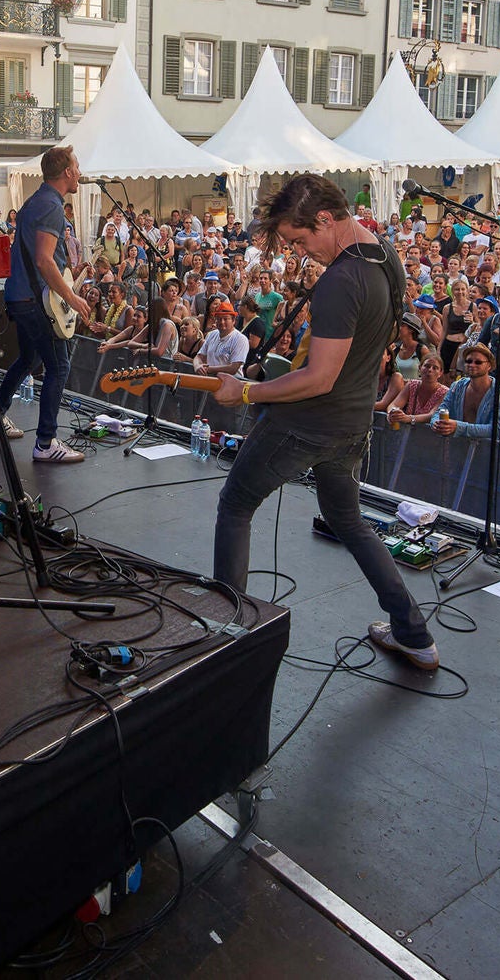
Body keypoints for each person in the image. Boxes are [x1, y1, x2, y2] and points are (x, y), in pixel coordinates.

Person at [209, 175, 441, 671]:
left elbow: (318, 378)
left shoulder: (340, 281)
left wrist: (247, 390)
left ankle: (225, 637)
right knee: (348, 520)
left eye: (300, 240)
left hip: (307, 425)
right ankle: (415, 636)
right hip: (353, 424)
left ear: (325, 220)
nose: (301, 253)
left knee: (235, 505)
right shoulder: (385, 254)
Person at [0, 144, 96, 463]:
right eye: (76, 166)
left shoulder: (35, 201)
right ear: (66, 172)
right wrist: (72, 296)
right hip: (35, 300)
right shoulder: (51, 206)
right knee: (59, 366)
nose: (79, 172)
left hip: (19, 294)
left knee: (28, 358)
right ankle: (46, 443)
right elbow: (43, 260)